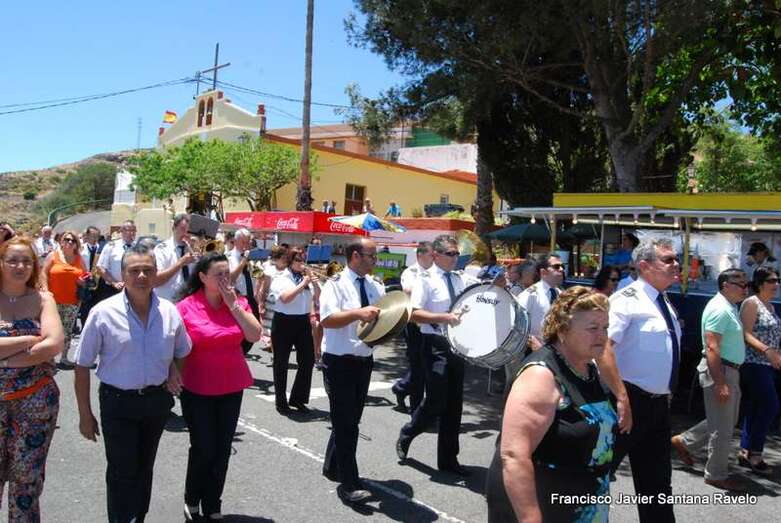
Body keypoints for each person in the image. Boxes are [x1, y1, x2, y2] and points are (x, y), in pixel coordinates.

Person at [73, 244, 192, 523]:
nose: (141, 276)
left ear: (156, 274)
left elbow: (183, 350)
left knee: (144, 467)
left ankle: (138, 517)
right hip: (118, 402)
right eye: (134, 270)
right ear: (123, 275)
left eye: (148, 270)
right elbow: (81, 365)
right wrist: (85, 414)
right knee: (122, 470)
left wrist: (174, 371)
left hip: (156, 401)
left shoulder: (169, 311)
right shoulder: (103, 312)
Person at [486, 286, 616, 522]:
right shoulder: (541, 375)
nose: (602, 336)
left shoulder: (586, 367)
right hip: (541, 503)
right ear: (563, 330)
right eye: (593, 328)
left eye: (605, 327)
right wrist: (530, 517)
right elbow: (514, 455)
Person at [596, 237, 681, 522]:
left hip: (658, 406)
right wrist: (621, 398)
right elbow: (603, 348)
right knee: (595, 476)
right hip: (627, 402)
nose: (676, 264)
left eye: (675, 258)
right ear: (644, 266)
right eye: (667, 260)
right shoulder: (626, 300)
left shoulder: (664, 302)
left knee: (657, 485)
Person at [175, 252, 262, 521]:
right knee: (203, 447)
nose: (226, 279)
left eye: (228, 273)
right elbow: (174, 347)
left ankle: (213, 502)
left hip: (231, 384)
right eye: (219, 275)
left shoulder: (238, 302)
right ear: (202, 277)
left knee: (222, 449)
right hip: (197, 387)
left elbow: (254, 335)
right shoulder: (185, 306)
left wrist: (233, 305)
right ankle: (192, 498)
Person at [396, 235, 477, 476]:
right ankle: (408, 432)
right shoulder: (425, 279)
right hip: (434, 345)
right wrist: (444, 318)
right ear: (436, 255)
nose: (455, 258)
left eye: (456, 253)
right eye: (450, 254)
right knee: (435, 401)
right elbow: (413, 314)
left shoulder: (460, 279)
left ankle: (449, 460)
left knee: (454, 404)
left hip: (457, 346)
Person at [0, 236, 64, 522]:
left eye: (26, 261)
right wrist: (29, 340)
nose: (20, 266)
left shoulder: (43, 299)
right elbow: (41, 344)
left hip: (36, 404)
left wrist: (5, 358)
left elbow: (54, 344)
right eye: (12, 260)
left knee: (26, 482)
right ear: (1, 263)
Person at [319, 238, 384, 503]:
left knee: (350, 420)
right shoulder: (335, 284)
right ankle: (349, 483)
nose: (375, 261)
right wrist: (358, 313)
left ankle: (332, 465)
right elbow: (327, 320)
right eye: (372, 256)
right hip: (339, 362)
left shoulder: (375, 285)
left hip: (363, 360)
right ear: (355, 256)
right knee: (346, 424)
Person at [671, 269, 748, 490]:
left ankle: (685, 441)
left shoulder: (729, 307)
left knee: (725, 420)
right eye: (741, 284)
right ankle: (716, 474)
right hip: (721, 370)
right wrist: (720, 382)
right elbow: (712, 347)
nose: (745, 288)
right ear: (726, 285)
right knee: (722, 427)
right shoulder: (720, 309)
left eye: (746, 284)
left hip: (728, 370)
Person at [735, 267, 781, 474]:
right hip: (753, 363)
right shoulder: (751, 303)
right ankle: (756, 453)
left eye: (777, 280)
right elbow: (745, 333)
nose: (776, 284)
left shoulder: (770, 306)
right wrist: (767, 351)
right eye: (772, 280)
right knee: (770, 405)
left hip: (769, 364)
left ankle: (746, 450)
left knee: (757, 407)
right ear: (760, 283)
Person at [270, 247, 319, 414]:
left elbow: (317, 298)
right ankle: (281, 401)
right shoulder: (281, 278)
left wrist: (315, 283)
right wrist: (303, 284)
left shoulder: (305, 278)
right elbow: (285, 298)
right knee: (281, 362)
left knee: (308, 360)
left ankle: (298, 398)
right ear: (290, 261)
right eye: (298, 260)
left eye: (303, 260)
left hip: (302, 321)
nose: (302, 263)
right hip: (283, 321)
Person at [392, 241, 434, 413]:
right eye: (431, 254)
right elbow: (408, 291)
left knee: (428, 365)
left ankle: (402, 388)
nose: (434, 257)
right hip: (414, 323)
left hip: (432, 322)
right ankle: (416, 409)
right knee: (418, 365)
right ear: (420, 255)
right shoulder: (411, 272)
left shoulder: (436, 272)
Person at [41, 230, 86, 367]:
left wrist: (82, 281)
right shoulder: (53, 256)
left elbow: (85, 276)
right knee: (51, 331)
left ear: (76, 244)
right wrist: (45, 291)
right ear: (61, 242)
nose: (69, 242)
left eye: (73, 240)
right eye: (67, 239)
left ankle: (64, 358)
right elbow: (43, 273)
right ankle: (48, 359)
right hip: (52, 301)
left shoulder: (79, 259)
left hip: (72, 301)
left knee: (67, 331)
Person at [516, 254, 565, 351]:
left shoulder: (560, 294)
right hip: (532, 351)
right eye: (556, 266)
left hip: (555, 350)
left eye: (562, 266)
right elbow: (516, 324)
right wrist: (532, 343)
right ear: (543, 272)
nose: (561, 269)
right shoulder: (530, 295)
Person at [228, 228, 260, 354]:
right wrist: (243, 263)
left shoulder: (250, 257)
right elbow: (231, 279)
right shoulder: (229, 257)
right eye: (243, 242)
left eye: (248, 242)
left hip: (251, 298)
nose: (246, 246)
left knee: (254, 331)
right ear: (235, 241)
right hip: (238, 299)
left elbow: (254, 277)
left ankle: (240, 354)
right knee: (239, 332)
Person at [154, 213, 196, 302]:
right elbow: (156, 280)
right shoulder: (162, 249)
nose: (186, 234)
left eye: (189, 231)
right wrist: (181, 263)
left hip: (188, 303)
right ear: (173, 228)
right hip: (167, 302)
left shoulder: (193, 249)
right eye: (182, 229)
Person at [96, 220, 137, 297]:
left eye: (134, 230)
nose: (131, 233)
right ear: (122, 231)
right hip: (112, 289)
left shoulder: (139, 247)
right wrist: (114, 283)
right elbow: (100, 267)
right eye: (128, 230)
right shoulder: (111, 246)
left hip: (133, 288)